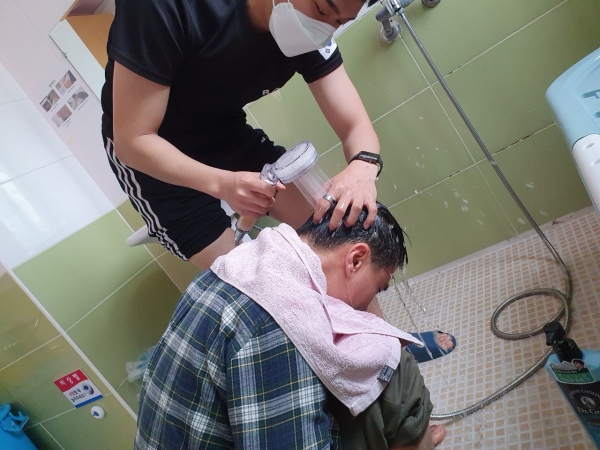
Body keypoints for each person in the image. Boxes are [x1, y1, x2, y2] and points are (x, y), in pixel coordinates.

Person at [134, 203, 446, 449]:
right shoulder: (280, 321)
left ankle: (411, 434)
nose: (366, 308)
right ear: (355, 260)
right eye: (377, 288)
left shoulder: (237, 267)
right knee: (397, 369)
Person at [101, 0, 383, 271]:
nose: (323, 30)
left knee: (347, 245)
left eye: (339, 22)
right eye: (321, 9)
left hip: (224, 134)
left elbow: (355, 125)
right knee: (257, 283)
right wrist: (222, 184)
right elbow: (134, 141)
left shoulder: (308, 34)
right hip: (152, 160)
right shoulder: (163, 7)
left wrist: (364, 168)